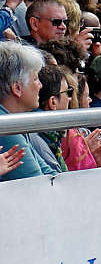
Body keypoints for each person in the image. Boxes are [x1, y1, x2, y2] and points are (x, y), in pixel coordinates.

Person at [0, 42, 59, 181]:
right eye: (36, 79)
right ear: (17, 88)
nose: (40, 85)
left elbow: (48, 174)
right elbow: (39, 182)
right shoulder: (6, 128)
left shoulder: (14, 121)